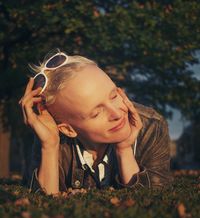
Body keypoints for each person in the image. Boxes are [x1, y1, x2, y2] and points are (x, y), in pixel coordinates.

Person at [19, 50, 172, 195]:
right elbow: (42, 205)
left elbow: (152, 201)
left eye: (113, 96)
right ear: (68, 130)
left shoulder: (152, 126)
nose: (117, 113)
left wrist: (124, 150)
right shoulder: (50, 134)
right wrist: (49, 146)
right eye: (96, 113)